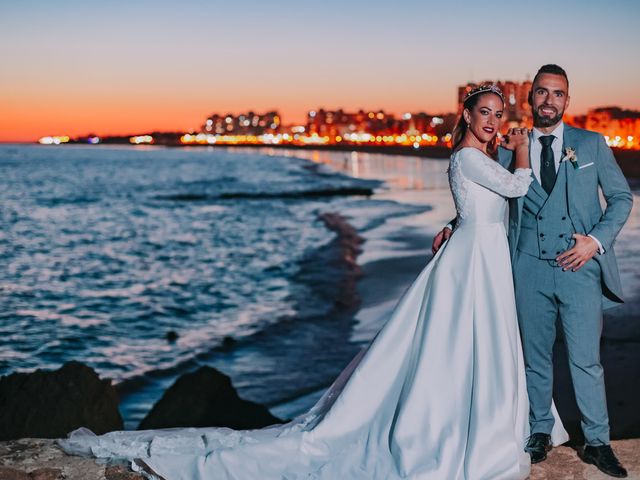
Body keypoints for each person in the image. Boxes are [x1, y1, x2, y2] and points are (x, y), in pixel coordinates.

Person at [59, 85, 568, 479]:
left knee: (479, 342)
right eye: (485, 113)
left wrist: (455, 223)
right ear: (467, 116)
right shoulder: (468, 155)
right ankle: (457, 426)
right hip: (473, 261)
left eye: (500, 115)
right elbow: (518, 188)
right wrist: (522, 148)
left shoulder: (480, 157)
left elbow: (483, 206)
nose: (494, 121)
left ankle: (484, 420)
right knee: (458, 343)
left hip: (481, 252)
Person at [433, 65, 632, 478]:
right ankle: (539, 429)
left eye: (557, 94)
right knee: (534, 358)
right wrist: (454, 224)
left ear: (567, 101)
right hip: (525, 268)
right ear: (530, 99)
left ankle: (597, 441)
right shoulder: (505, 151)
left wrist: (594, 241)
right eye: (541, 92)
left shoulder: (591, 144)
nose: (548, 101)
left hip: (580, 269)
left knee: (586, 360)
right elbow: (485, 199)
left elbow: (621, 198)